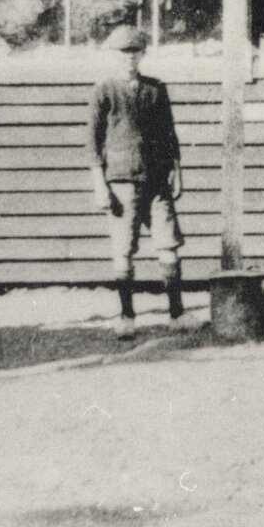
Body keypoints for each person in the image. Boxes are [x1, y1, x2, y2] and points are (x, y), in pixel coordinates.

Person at [89, 24, 185, 334]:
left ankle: (177, 314)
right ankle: (127, 317)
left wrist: (176, 171)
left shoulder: (156, 89)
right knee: (123, 251)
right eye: (123, 53)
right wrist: (99, 184)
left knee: (168, 246)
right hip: (121, 181)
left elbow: (169, 134)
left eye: (135, 52)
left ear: (143, 53)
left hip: (157, 181)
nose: (129, 58)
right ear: (114, 56)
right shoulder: (104, 90)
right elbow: (92, 141)